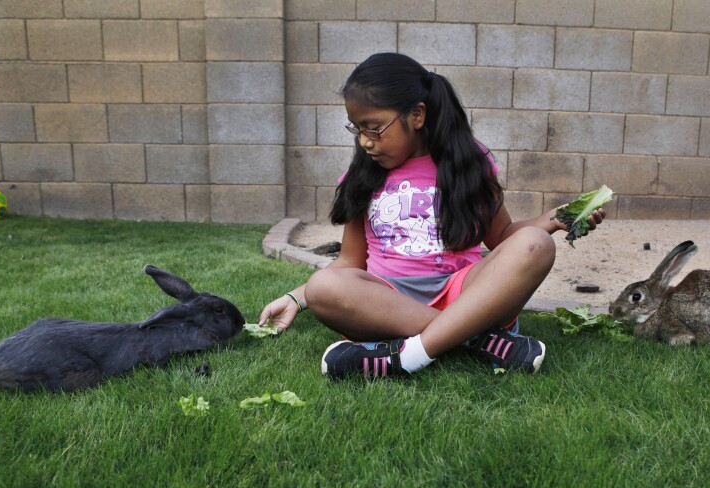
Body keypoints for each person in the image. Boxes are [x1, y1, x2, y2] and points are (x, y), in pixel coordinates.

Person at [259, 53, 604, 379]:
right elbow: (349, 262)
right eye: (357, 129)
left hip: (463, 293)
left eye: (374, 128)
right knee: (324, 287)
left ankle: (405, 357)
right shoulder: (363, 176)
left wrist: (552, 219)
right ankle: (475, 339)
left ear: (417, 115)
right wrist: (296, 298)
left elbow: (502, 238)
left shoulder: (469, 163)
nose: (365, 141)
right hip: (387, 303)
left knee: (536, 245)